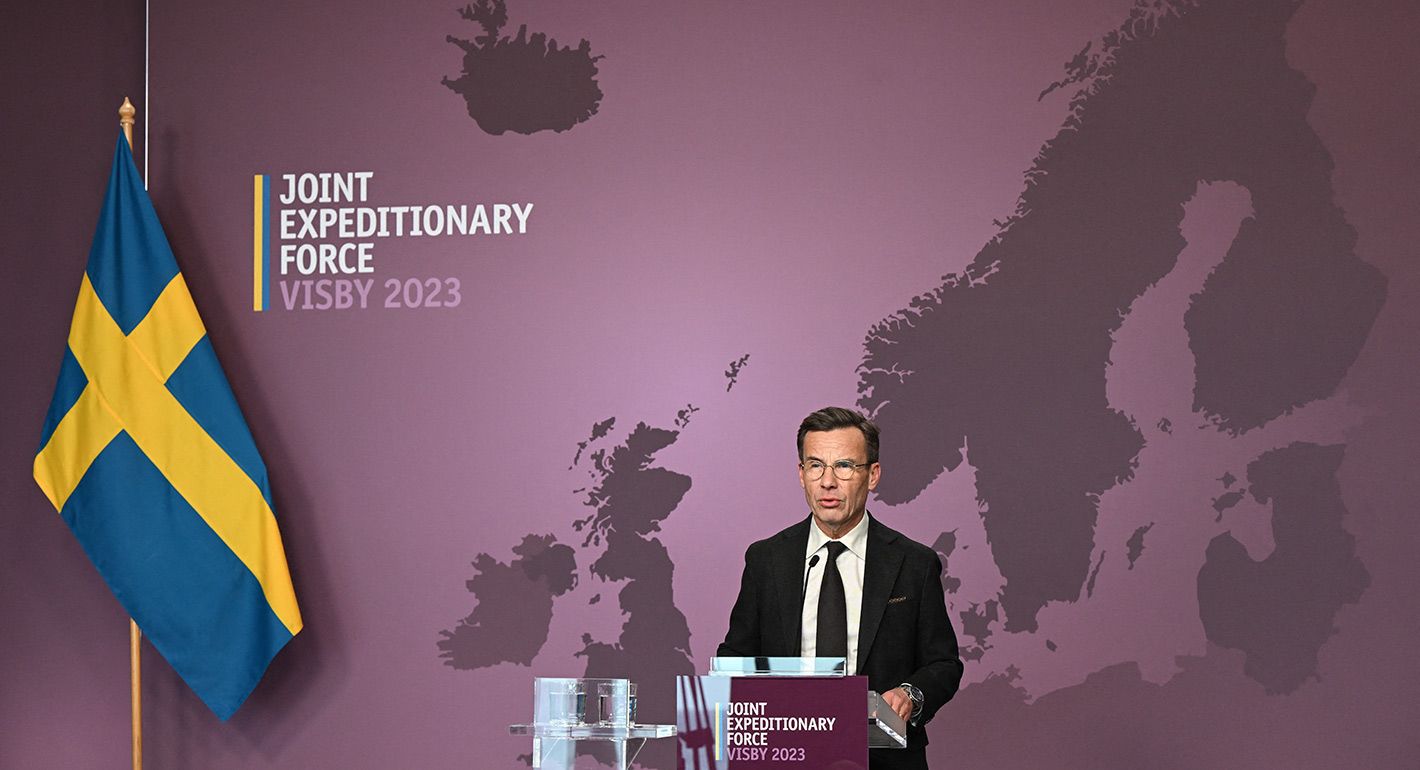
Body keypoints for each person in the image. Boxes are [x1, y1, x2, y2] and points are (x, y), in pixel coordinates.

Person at [717, 406, 963, 770]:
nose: (827, 481)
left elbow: (943, 663)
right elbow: (735, 657)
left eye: (844, 466)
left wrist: (909, 695)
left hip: (883, 759)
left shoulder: (914, 563)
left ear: (873, 474)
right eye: (815, 465)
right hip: (786, 757)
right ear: (801, 475)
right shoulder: (766, 559)